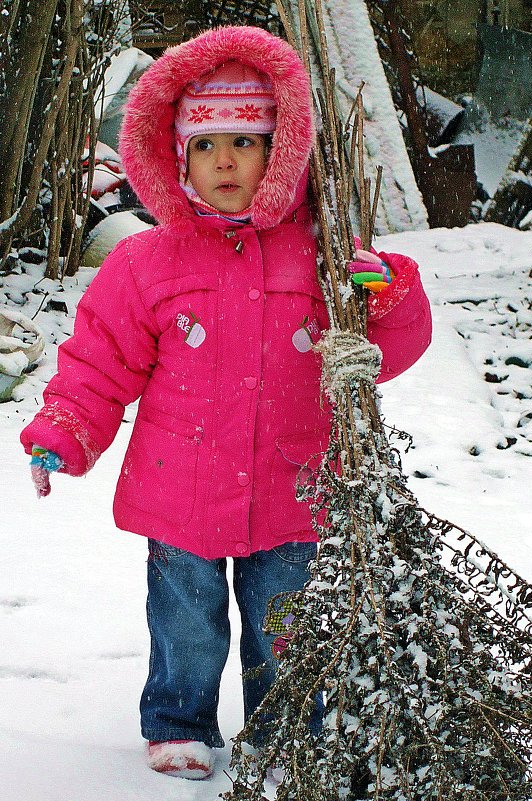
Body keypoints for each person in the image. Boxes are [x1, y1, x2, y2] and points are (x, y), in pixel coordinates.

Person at [20, 25, 432, 781]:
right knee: (187, 623)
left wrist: (392, 295)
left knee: (288, 624)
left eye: (245, 141)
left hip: (295, 482)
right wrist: (65, 429)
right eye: (206, 146)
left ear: (280, 151)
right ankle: (180, 721)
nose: (225, 161)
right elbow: (100, 359)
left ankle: (285, 729)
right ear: (176, 158)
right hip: (180, 486)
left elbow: (376, 360)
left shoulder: (322, 252)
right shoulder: (147, 261)